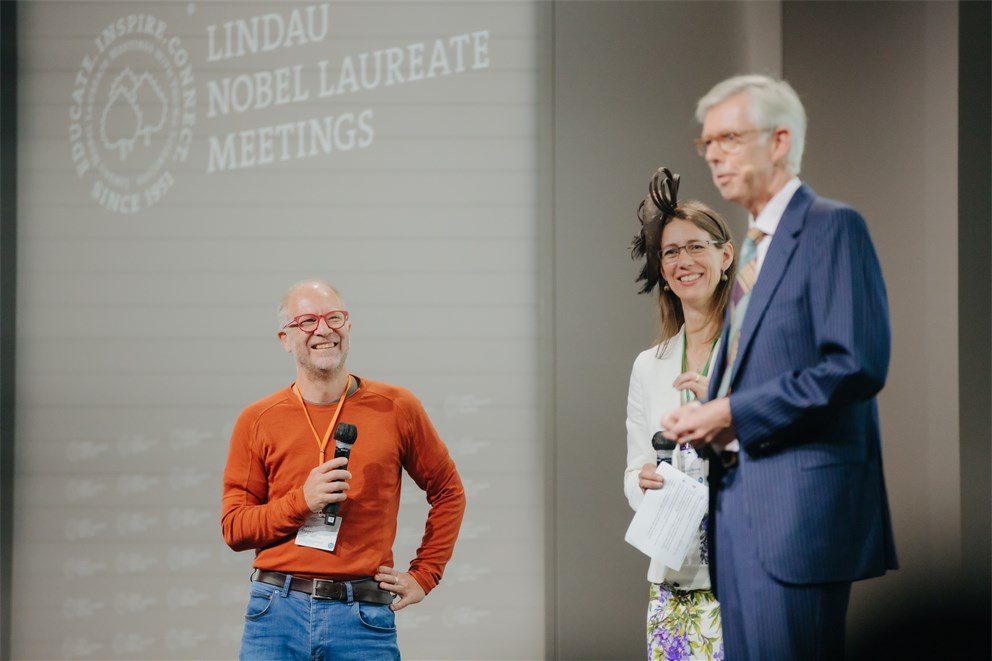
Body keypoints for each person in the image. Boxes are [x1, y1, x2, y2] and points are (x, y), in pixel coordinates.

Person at [661, 75, 897, 660]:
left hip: (796, 517)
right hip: (737, 513)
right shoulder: (753, 247)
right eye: (707, 143)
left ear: (779, 141)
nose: (714, 153)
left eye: (730, 137)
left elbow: (856, 364)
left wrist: (733, 411)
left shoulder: (831, 227)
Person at [222, 280, 466, 661]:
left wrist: (426, 574)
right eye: (307, 321)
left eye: (333, 318)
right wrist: (301, 501)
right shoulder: (257, 419)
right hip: (275, 613)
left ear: (347, 328)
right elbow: (235, 529)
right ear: (285, 338)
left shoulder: (397, 407)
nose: (323, 329)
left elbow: (448, 491)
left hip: (362, 616)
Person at [626, 167, 735, 660]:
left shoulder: (754, 353)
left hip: (744, 575)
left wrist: (724, 410)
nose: (683, 261)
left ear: (725, 255)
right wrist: (642, 483)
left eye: (697, 246)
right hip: (674, 581)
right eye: (671, 251)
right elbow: (633, 471)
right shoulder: (650, 366)